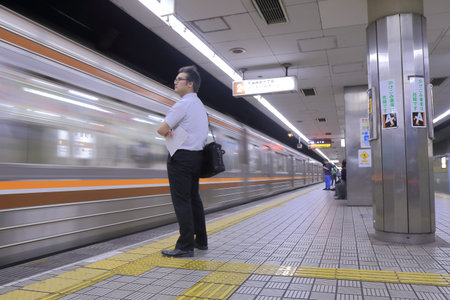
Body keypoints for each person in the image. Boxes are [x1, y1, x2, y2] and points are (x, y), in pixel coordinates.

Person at [157, 65, 209, 257]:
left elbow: (162, 129)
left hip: (181, 158)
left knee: (182, 202)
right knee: (194, 199)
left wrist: (168, 131)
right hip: (197, 157)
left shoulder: (183, 104)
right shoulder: (199, 106)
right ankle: (201, 241)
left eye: (179, 79)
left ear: (190, 84)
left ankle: (185, 246)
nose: (175, 81)